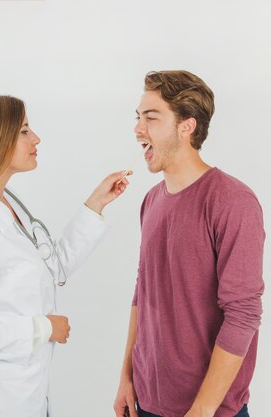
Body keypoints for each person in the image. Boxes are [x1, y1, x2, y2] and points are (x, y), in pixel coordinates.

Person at [0, 95, 129, 417]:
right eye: (24, 131)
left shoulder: (8, 204)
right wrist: (43, 328)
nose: (36, 138)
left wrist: (95, 205)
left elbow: (52, 266)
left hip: (27, 393)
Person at [113, 71, 265, 417]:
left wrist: (202, 410)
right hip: (147, 402)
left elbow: (243, 315)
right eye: (138, 117)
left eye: (151, 117)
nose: (138, 128)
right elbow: (143, 291)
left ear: (187, 126)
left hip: (208, 411)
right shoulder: (151, 200)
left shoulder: (232, 201)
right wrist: (126, 376)